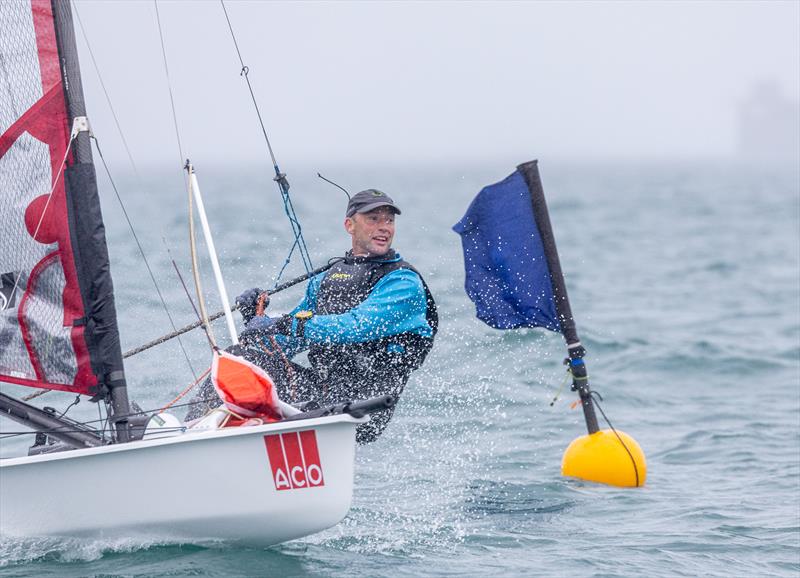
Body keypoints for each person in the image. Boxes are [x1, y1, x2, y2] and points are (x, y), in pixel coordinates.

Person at [187, 189, 437, 443]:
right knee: (240, 358)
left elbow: (356, 326)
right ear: (349, 225)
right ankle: (189, 432)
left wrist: (287, 323)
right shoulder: (325, 280)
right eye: (374, 219)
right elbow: (286, 344)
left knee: (262, 390)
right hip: (321, 392)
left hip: (364, 406)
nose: (384, 227)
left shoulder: (403, 281)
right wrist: (254, 319)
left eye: (389, 220)